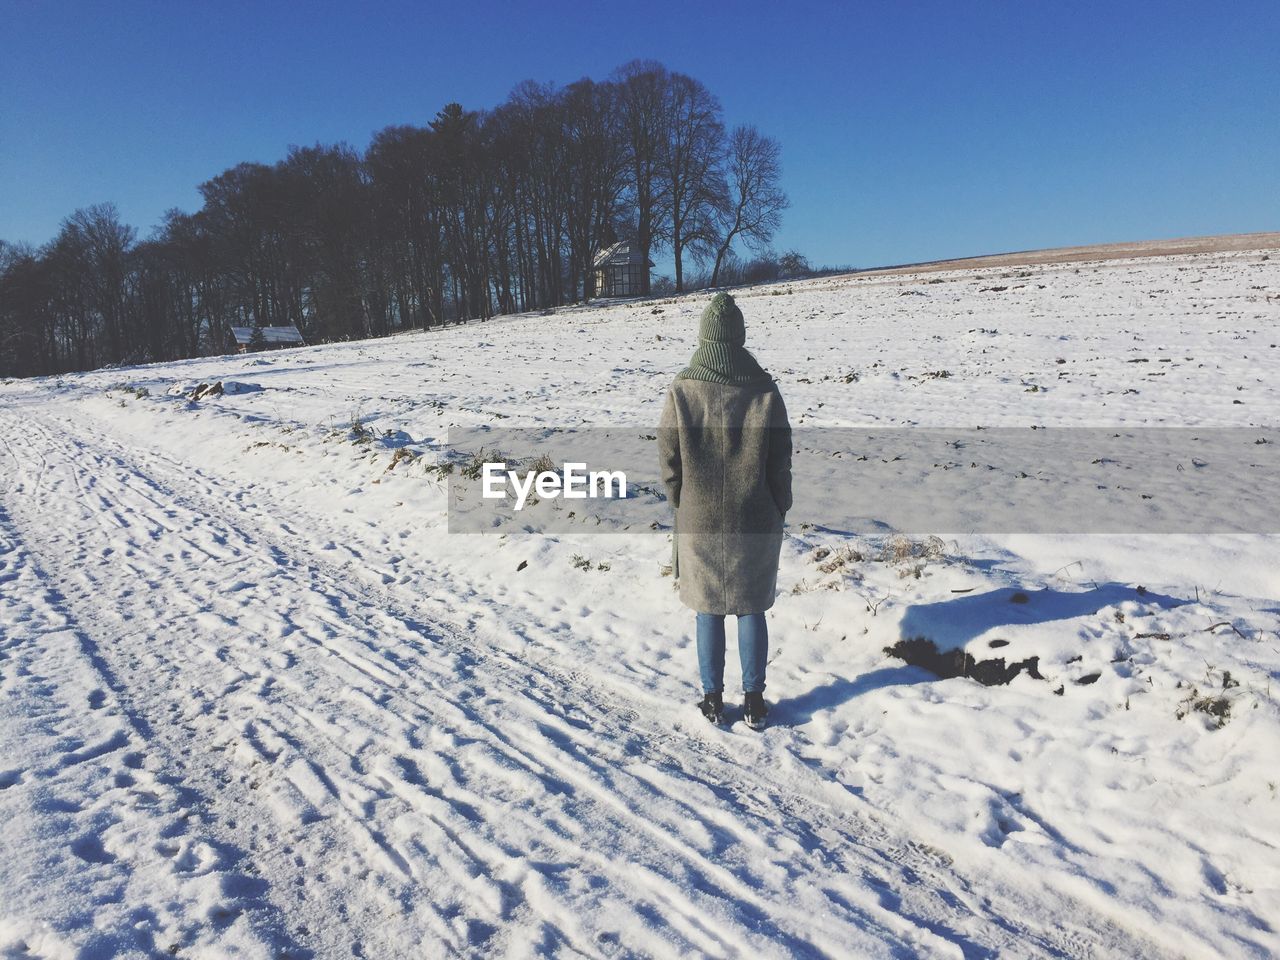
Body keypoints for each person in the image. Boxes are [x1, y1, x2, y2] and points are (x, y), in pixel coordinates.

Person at [657, 292, 792, 730]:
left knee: (708, 609)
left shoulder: (682, 390)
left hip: (698, 516)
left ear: (704, 337)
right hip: (755, 514)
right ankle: (754, 701)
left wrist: (680, 501)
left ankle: (712, 700)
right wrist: (779, 504)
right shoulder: (765, 391)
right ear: (739, 337)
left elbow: (668, 456)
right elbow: (780, 459)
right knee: (752, 608)